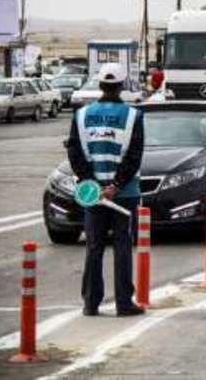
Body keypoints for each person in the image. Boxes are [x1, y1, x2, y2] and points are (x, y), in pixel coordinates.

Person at [67, 63, 145, 317]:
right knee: (123, 246)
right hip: (124, 195)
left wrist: (92, 184)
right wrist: (115, 186)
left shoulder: (81, 115)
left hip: (92, 195)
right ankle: (124, 303)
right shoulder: (134, 116)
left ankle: (91, 303)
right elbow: (134, 156)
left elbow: (75, 154)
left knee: (94, 247)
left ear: (100, 85)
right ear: (122, 86)